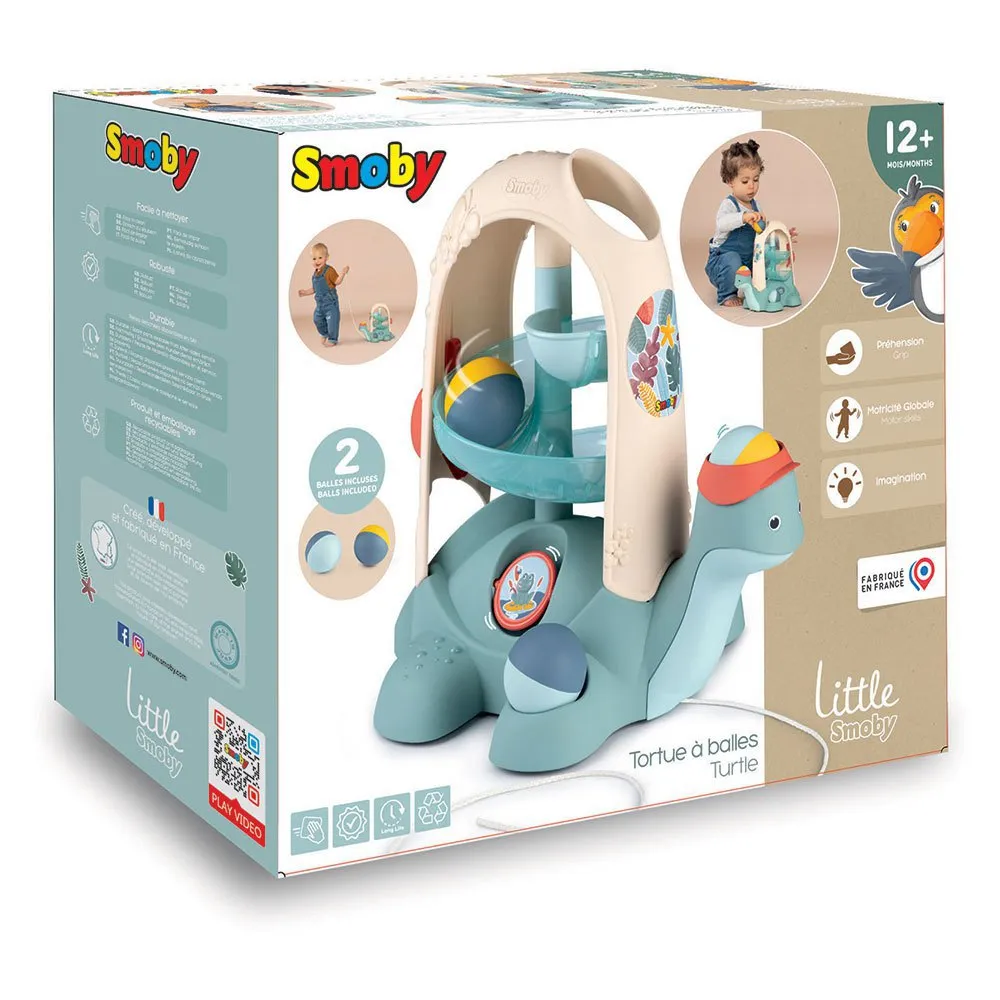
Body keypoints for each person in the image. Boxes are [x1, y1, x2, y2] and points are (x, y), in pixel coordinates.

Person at [705, 139, 797, 308]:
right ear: (730, 181)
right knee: (732, 260)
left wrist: (781, 236)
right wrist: (743, 217)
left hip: (748, 260)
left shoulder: (756, 206)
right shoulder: (729, 204)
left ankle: (759, 290)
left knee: (767, 258)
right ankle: (727, 294)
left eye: (756, 179)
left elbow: (762, 232)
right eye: (745, 181)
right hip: (722, 261)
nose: (752, 186)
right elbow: (722, 224)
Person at [298, 243, 350, 347]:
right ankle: (324, 333)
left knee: (332, 322)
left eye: (320, 258)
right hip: (320, 305)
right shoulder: (315, 274)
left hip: (330, 304)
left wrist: (342, 273)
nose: (317, 261)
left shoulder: (329, 271)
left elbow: (337, 281)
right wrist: (305, 292)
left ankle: (332, 339)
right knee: (317, 319)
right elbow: (314, 289)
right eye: (314, 259)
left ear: (327, 257)